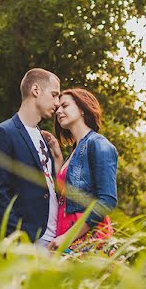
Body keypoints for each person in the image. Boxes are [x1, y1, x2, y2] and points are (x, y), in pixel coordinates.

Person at [0, 68, 62, 246]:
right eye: (54, 95)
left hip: (53, 240)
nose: (57, 102)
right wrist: (19, 240)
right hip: (27, 242)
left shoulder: (44, 137)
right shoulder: (4, 133)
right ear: (36, 90)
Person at [44, 88, 118, 252]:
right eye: (57, 108)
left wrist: (68, 236)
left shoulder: (98, 144)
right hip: (67, 237)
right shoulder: (74, 152)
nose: (59, 111)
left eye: (65, 105)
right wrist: (57, 158)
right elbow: (63, 195)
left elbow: (107, 200)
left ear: (83, 110)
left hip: (88, 241)